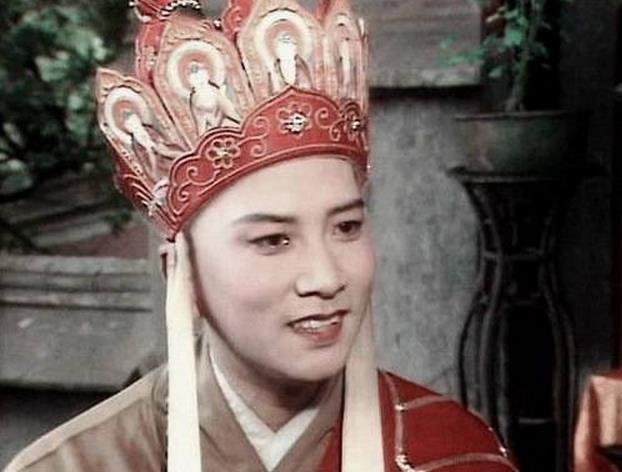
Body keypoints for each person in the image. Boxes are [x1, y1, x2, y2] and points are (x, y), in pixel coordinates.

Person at [4, 1, 517, 471]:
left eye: (346, 227)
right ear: (181, 272)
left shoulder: (454, 454)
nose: (325, 278)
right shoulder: (76, 464)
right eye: (273, 240)